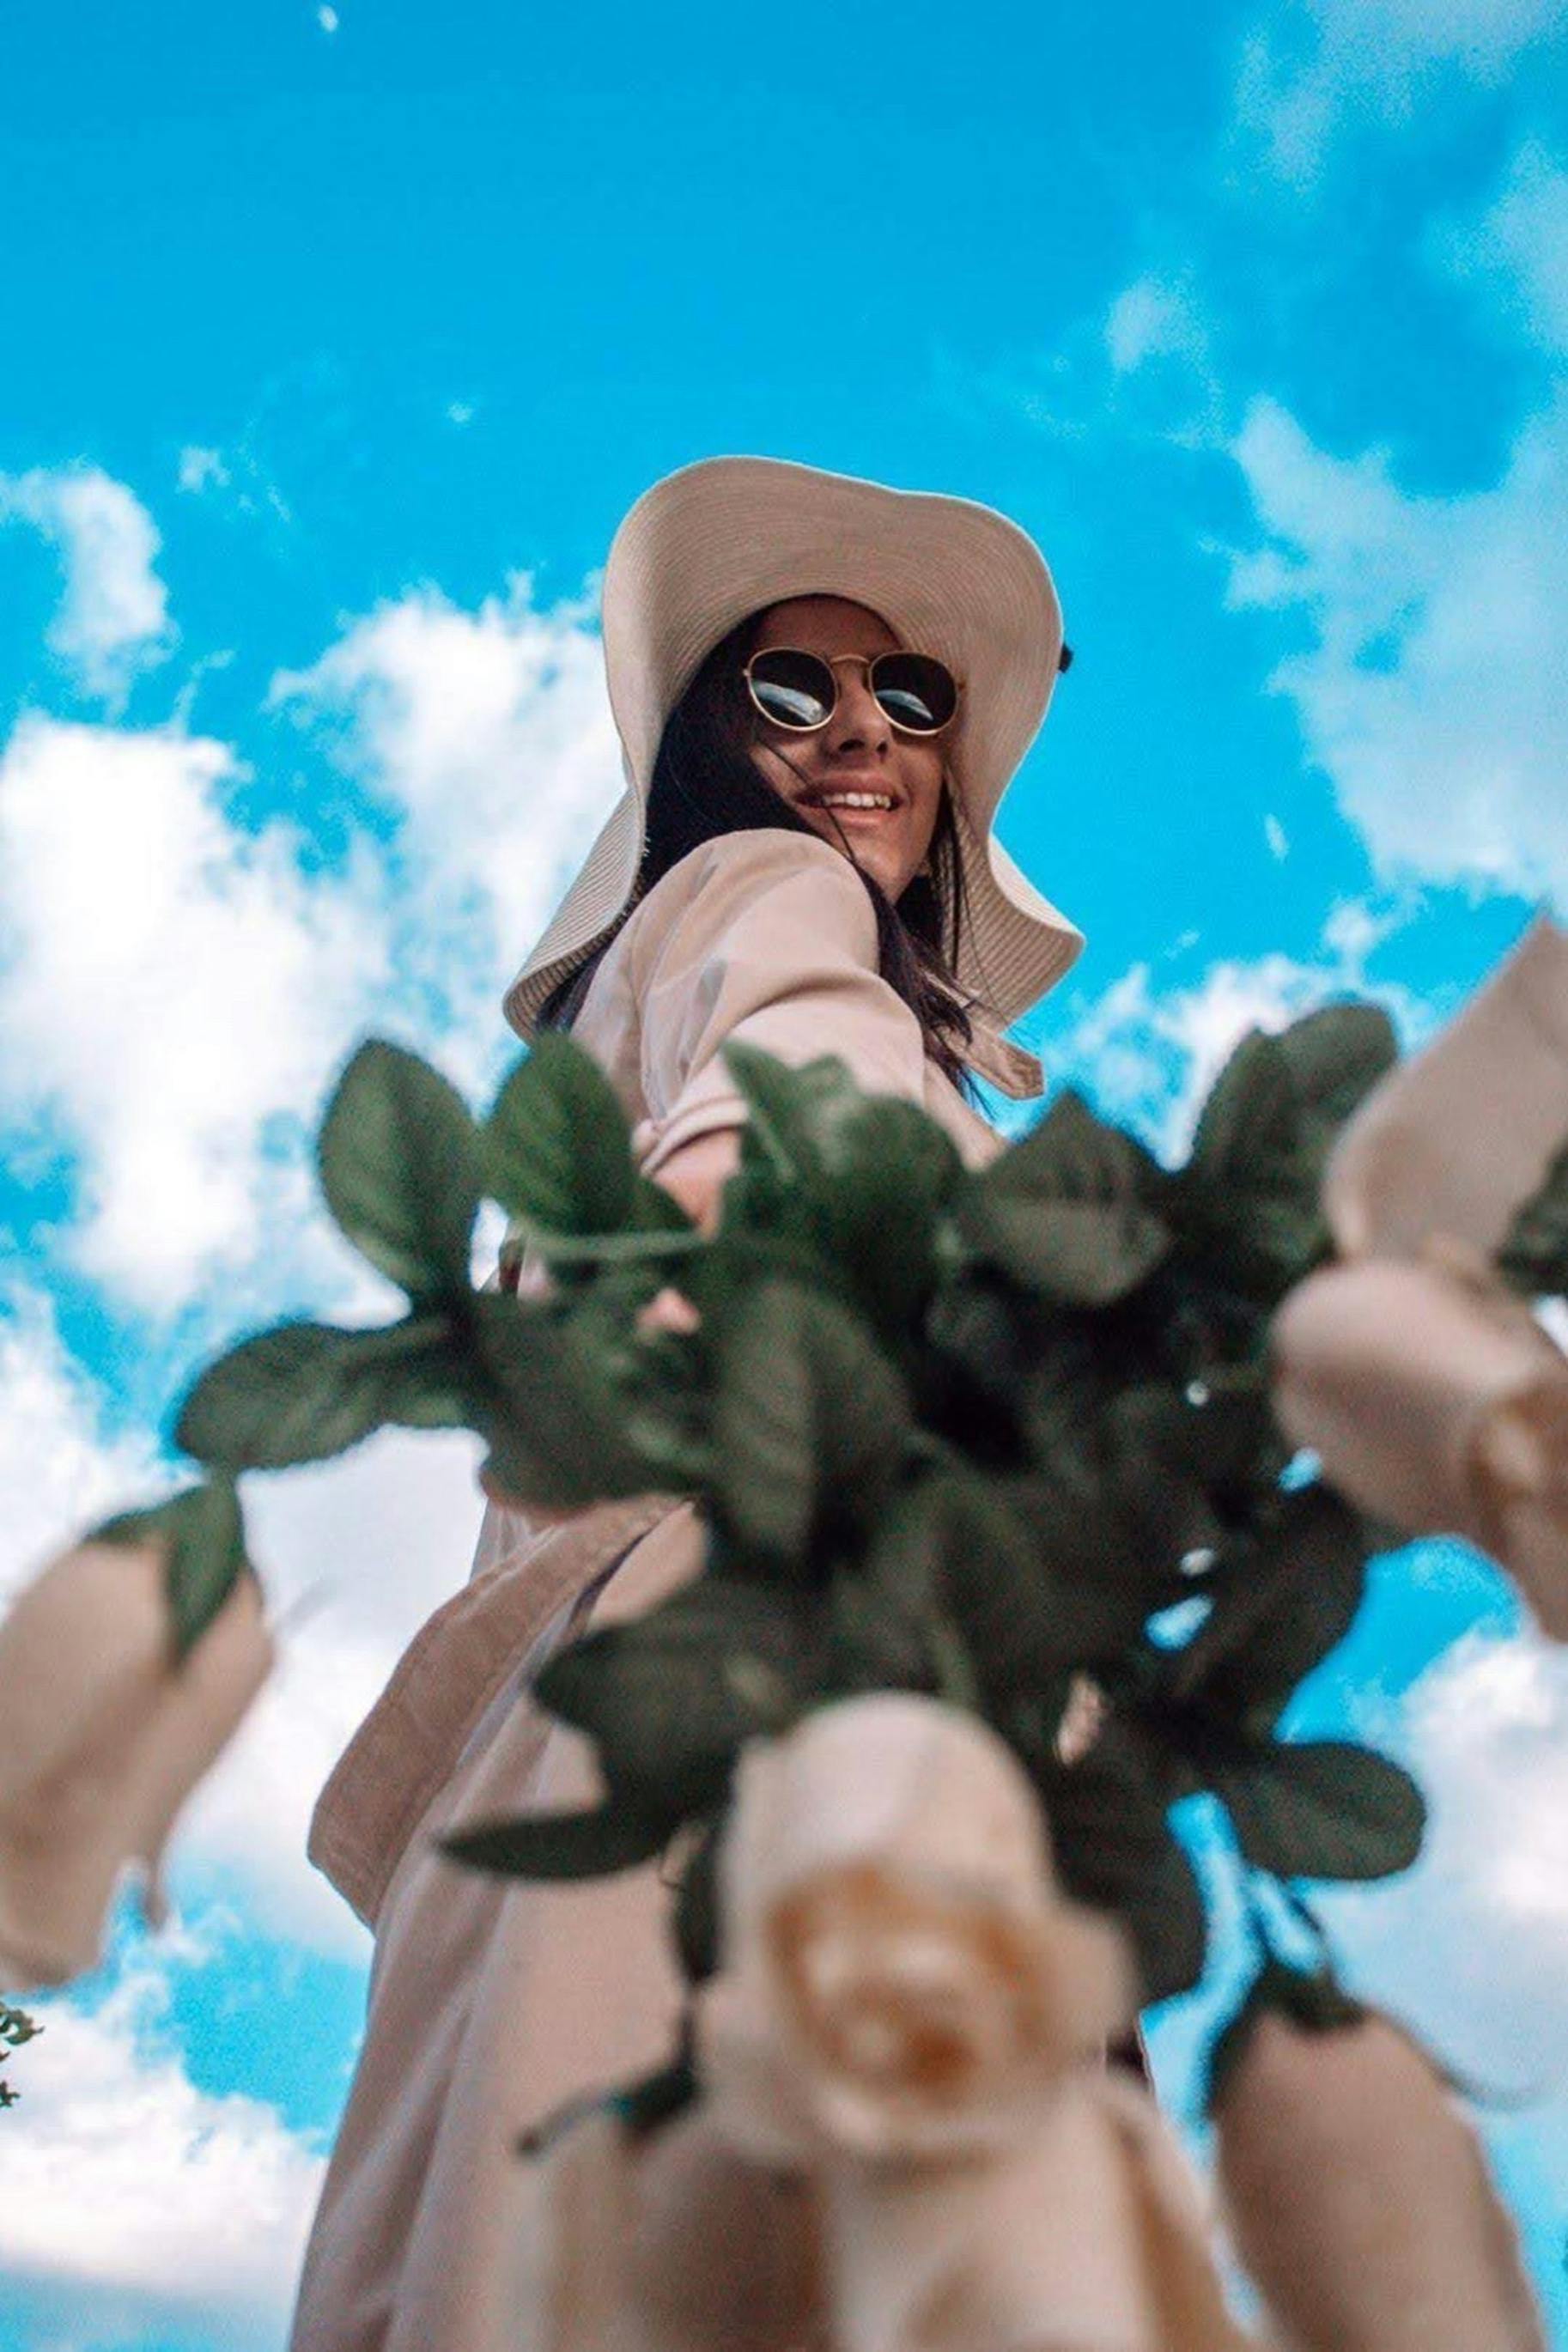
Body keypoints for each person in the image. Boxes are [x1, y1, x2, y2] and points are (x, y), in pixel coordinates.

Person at [289, 456, 1084, 2352]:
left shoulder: (656, 1004)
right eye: (786, 690)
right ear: (709, 750)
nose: (860, 736)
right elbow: (792, 1098)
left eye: (912, 697)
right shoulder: (763, 885)